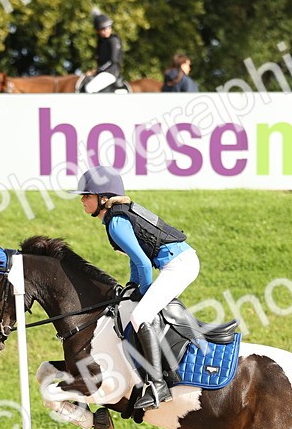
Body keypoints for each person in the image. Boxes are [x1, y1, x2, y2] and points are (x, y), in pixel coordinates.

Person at [71, 166, 199, 409]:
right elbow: (135, 256)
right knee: (136, 310)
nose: (82, 200)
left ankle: (158, 385)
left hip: (180, 265)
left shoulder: (116, 222)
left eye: (86, 195)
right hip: (178, 262)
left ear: (104, 198)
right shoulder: (116, 217)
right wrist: (132, 284)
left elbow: (143, 262)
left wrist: (144, 291)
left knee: (141, 315)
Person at [82, 12, 123, 93]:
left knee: (89, 88)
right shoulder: (100, 43)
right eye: (103, 29)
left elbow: (113, 60)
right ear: (98, 31)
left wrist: (96, 71)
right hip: (102, 72)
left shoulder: (113, 40)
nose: (106, 31)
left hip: (111, 73)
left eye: (108, 28)